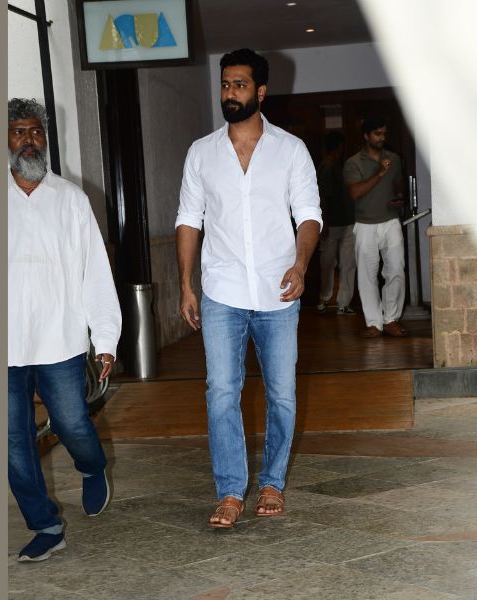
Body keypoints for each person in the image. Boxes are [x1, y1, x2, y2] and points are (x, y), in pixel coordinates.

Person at [175, 49, 321, 528]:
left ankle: (273, 482)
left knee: (282, 393)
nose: (229, 93)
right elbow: (188, 220)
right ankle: (231, 490)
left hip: (278, 291)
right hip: (222, 289)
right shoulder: (201, 153)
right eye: (225, 84)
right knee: (221, 391)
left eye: (239, 84)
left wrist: (300, 264)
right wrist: (186, 284)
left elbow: (309, 215)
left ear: (260, 91)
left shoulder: (291, 150)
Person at [7, 98, 122, 561]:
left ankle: (92, 467)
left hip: (60, 340)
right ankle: (46, 526)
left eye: (36, 132)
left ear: (46, 140)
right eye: (19, 131)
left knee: (73, 424)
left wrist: (105, 339)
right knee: (12, 442)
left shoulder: (71, 198)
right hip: (5, 345)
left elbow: (96, 273)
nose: (29, 140)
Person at [344, 116, 408, 337]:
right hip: (365, 224)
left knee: (396, 269)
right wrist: (379, 173)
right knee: (367, 276)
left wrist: (399, 197)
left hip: (390, 221)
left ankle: (391, 319)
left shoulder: (394, 159)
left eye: (384, 134)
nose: (382, 138)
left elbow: (398, 185)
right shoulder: (353, 162)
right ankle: (373, 323)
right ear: (366, 135)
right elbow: (355, 192)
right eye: (377, 134)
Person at [315, 130, 356, 316]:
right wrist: (324, 222)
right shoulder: (328, 166)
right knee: (329, 263)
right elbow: (323, 196)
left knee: (344, 263)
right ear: (339, 147)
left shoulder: (337, 166)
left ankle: (339, 303)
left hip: (346, 221)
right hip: (332, 223)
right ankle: (326, 300)